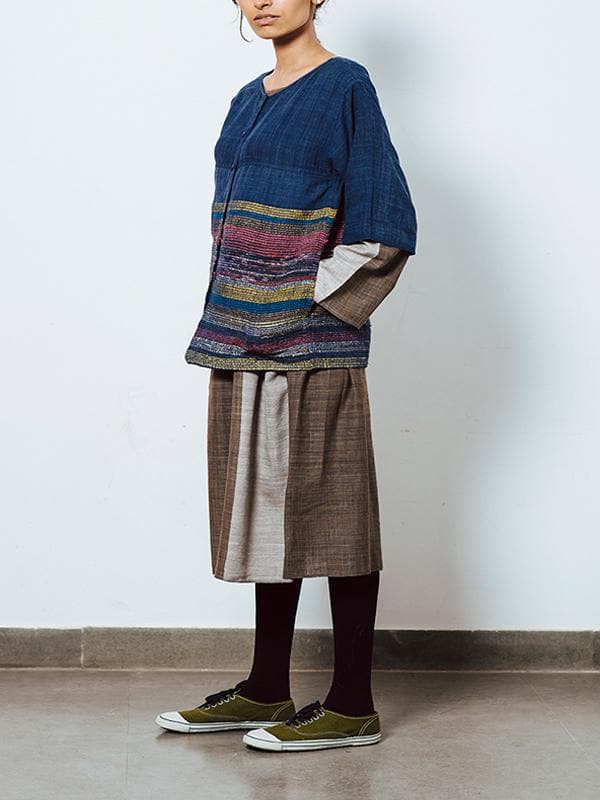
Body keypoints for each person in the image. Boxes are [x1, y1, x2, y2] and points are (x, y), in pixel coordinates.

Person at [155, 0, 417, 753]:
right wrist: (250, 302)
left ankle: (354, 703)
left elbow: (386, 224)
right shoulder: (247, 98)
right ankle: (267, 686)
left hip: (313, 343)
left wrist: (306, 299)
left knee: (336, 512)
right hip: (238, 340)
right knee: (266, 507)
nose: (263, 1)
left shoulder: (345, 85)